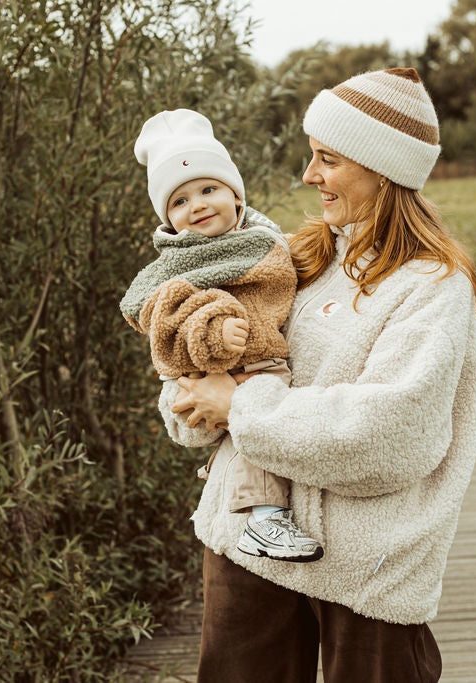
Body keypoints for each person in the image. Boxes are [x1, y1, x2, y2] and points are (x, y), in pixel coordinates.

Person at [167, 68, 476, 682]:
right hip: (244, 549)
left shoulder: (432, 289)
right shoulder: (294, 259)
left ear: (381, 169)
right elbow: (195, 367)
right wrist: (193, 405)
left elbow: (389, 436)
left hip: (367, 570)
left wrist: (239, 408)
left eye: (327, 159)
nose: (309, 175)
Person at [121, 109, 323, 562]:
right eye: (179, 201)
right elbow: (152, 307)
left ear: (235, 194)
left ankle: (261, 511)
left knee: (257, 417)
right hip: (230, 367)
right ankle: (265, 518)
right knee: (258, 408)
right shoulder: (175, 262)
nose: (197, 206)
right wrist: (210, 330)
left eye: (208, 189)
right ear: (169, 219)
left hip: (260, 359)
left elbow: (273, 287)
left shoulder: (265, 241)